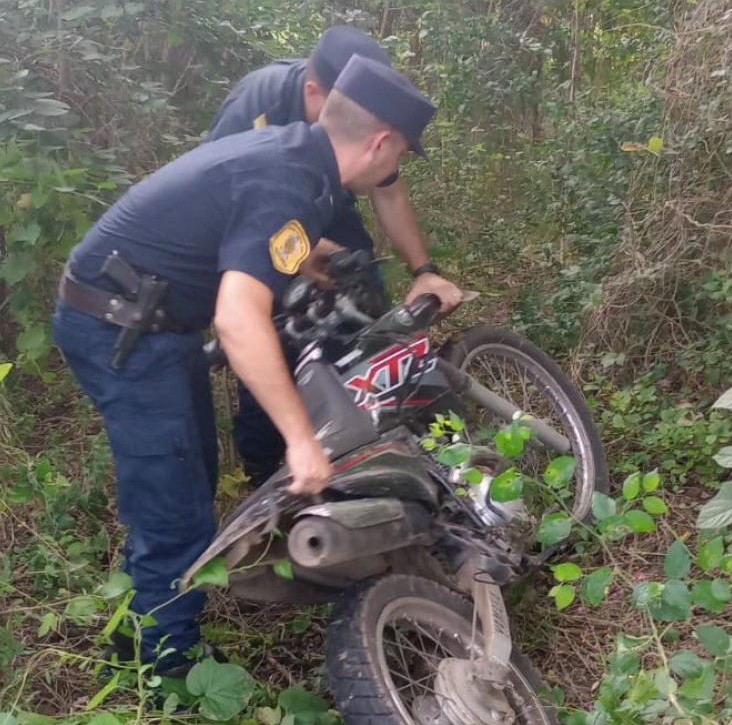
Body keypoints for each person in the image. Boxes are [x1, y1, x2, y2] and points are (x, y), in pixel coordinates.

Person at [53, 55, 442, 678]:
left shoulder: (302, 161)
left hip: (155, 320)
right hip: (119, 328)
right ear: (379, 142)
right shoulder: (291, 180)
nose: (398, 166)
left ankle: (142, 625)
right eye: (401, 152)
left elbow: (249, 227)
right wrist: (300, 441)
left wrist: (306, 259)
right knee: (174, 502)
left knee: (191, 476)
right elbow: (237, 320)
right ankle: (164, 666)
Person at [208, 25, 463, 485]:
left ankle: (390, 442)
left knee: (367, 314)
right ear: (315, 91)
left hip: (330, 207)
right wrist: (300, 249)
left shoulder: (363, 127)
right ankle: (271, 475)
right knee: (275, 341)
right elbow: (222, 208)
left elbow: (388, 189)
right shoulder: (256, 106)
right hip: (258, 223)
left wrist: (423, 271)